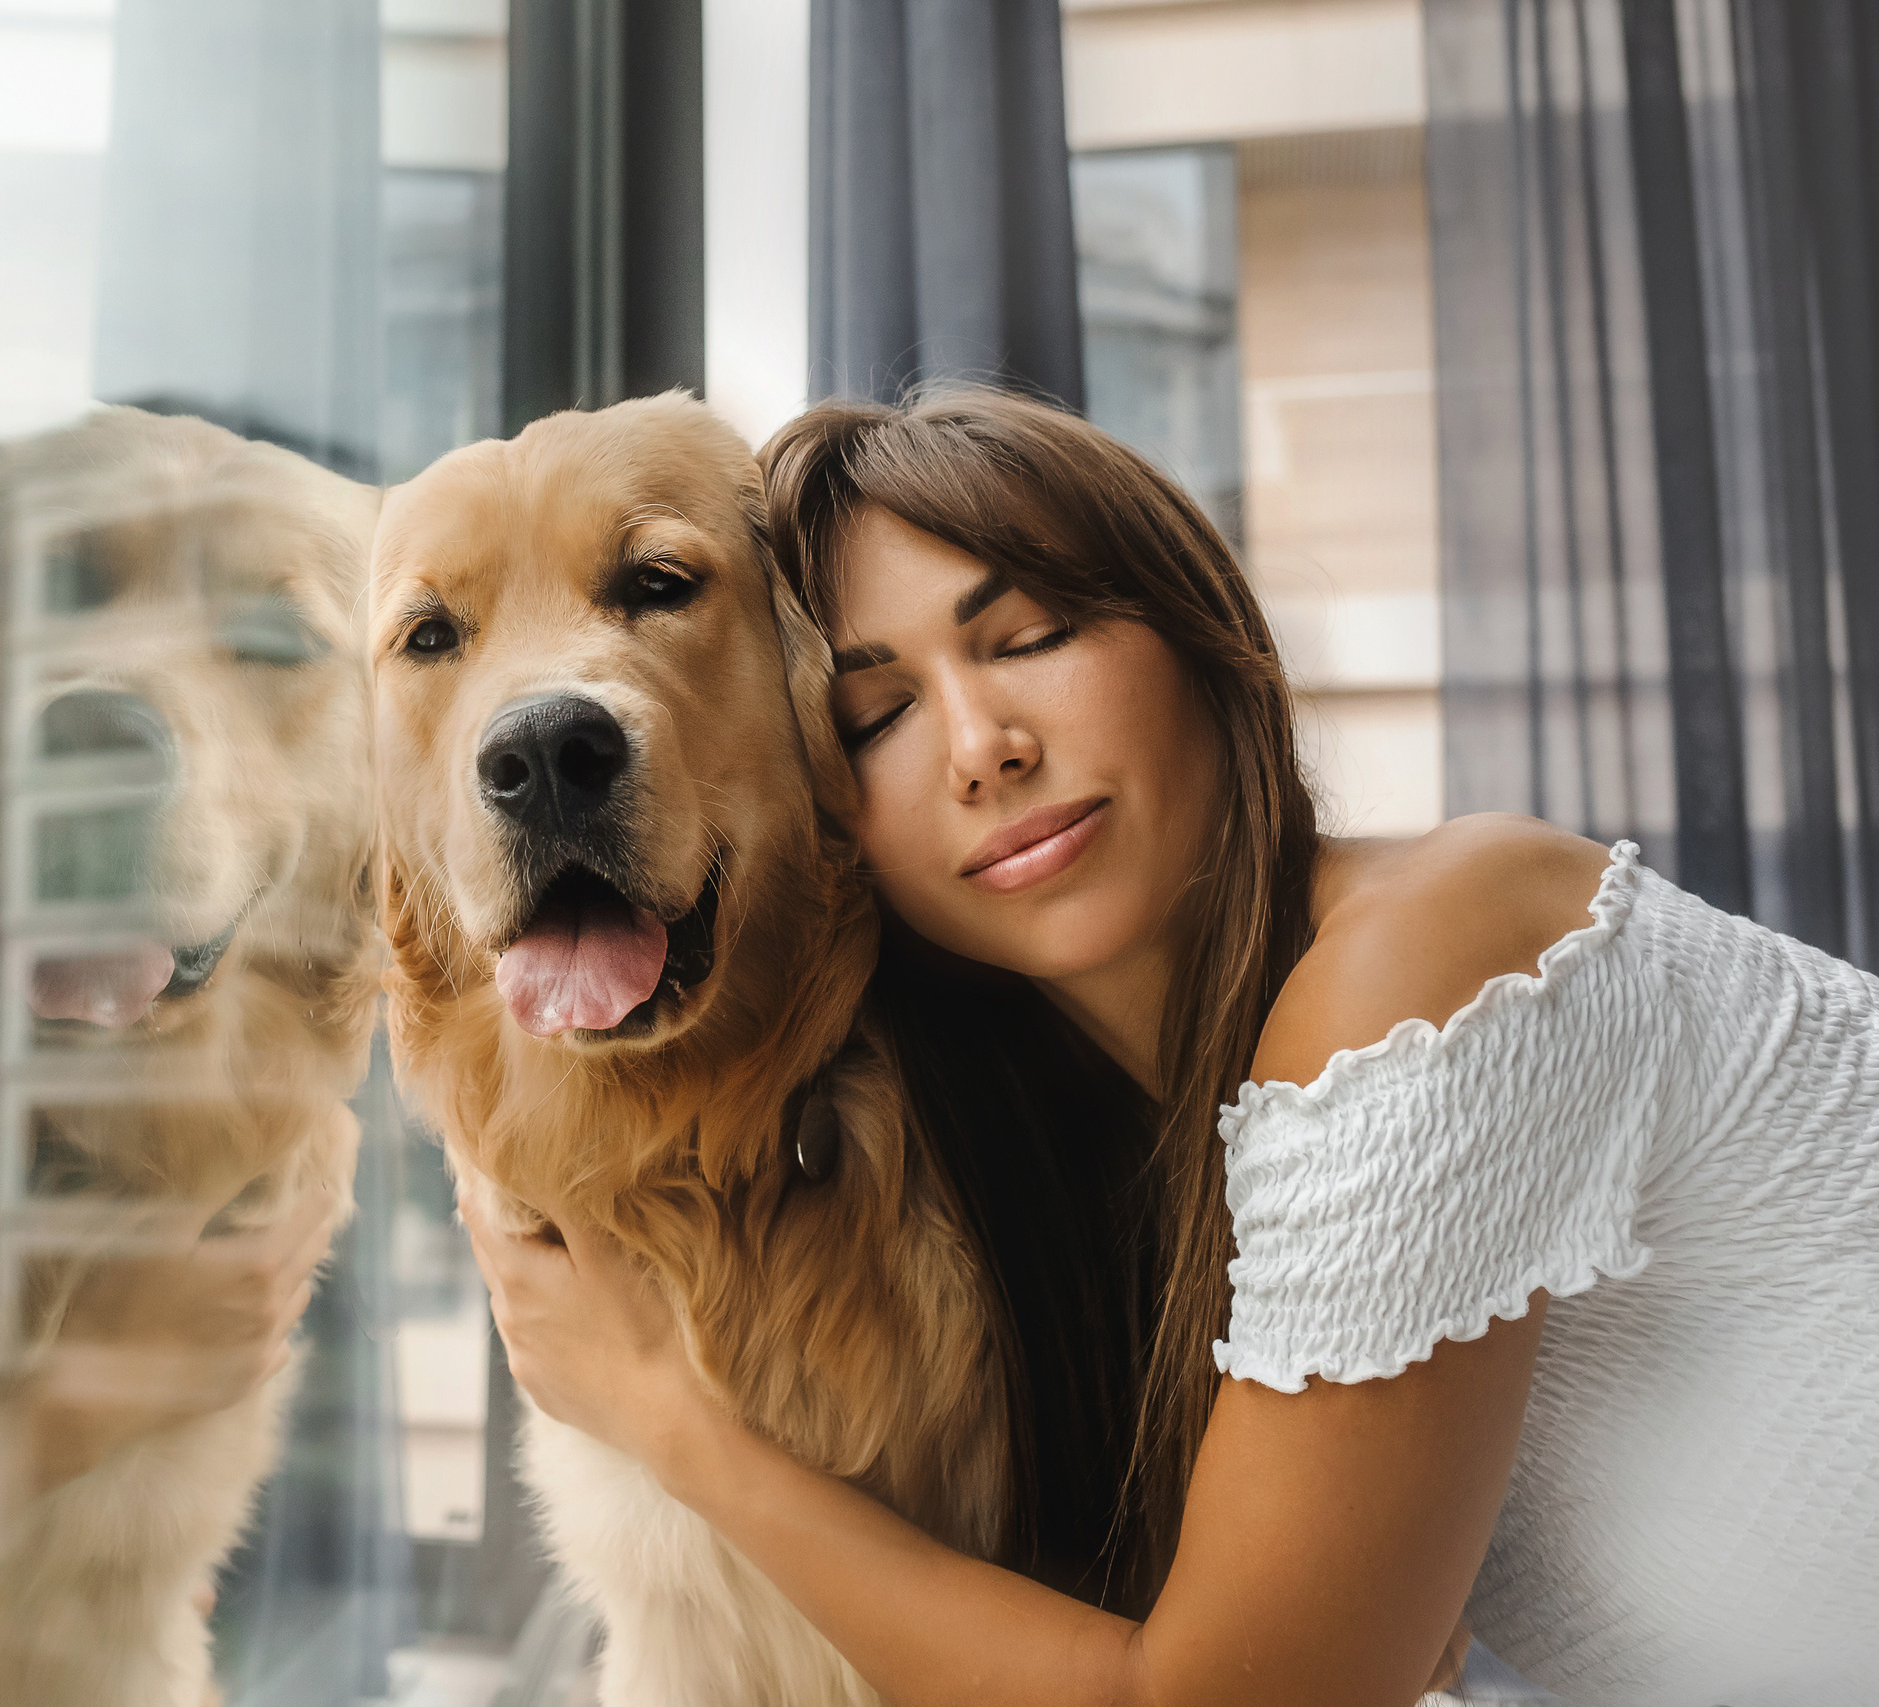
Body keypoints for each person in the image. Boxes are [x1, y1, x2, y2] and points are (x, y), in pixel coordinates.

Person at [457, 388, 1879, 1707]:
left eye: (1029, 640)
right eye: (877, 713)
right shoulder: (1130, 1152)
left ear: (1204, 634)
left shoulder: (1427, 959)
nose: (980, 746)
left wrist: (669, 1420)